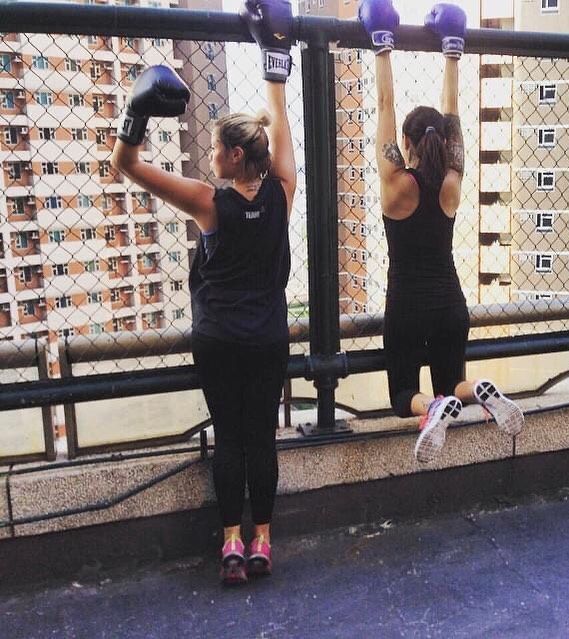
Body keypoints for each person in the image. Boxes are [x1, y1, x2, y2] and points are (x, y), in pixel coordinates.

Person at [112, 0, 296, 585]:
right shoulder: (283, 192)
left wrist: (137, 116)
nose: (209, 157)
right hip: (267, 339)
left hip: (218, 339)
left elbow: (127, 166)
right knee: (261, 439)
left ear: (234, 155)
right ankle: (262, 540)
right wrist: (273, 46)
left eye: (216, 149)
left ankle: (229, 546)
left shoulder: (206, 202)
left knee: (231, 440)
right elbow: (280, 115)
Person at [358, 1, 524, 463]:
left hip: (408, 304)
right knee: (452, 378)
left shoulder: (397, 186)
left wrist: (382, 47)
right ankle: (473, 392)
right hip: (451, 301)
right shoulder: (452, 182)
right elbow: (455, 119)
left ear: (406, 144)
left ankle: (432, 409)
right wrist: (453, 52)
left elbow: (386, 106)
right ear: (439, 142)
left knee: (403, 393)